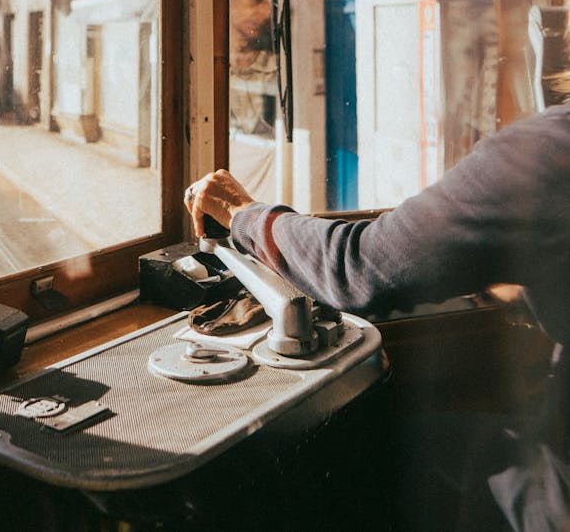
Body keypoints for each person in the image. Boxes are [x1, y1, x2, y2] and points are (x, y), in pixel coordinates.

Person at [185, 105, 570, 531]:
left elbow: (358, 266)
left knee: (360, 457)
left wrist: (241, 212)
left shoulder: (550, 147)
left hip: (556, 500)